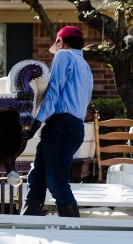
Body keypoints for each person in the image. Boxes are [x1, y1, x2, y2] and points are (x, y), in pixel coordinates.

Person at [21, 26, 94, 218]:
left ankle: (74, 228)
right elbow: (86, 100)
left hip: (61, 125)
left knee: (56, 181)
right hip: (74, 127)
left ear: (60, 42)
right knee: (38, 178)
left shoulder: (63, 55)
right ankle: (26, 223)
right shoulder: (85, 66)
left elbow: (53, 92)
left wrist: (36, 122)